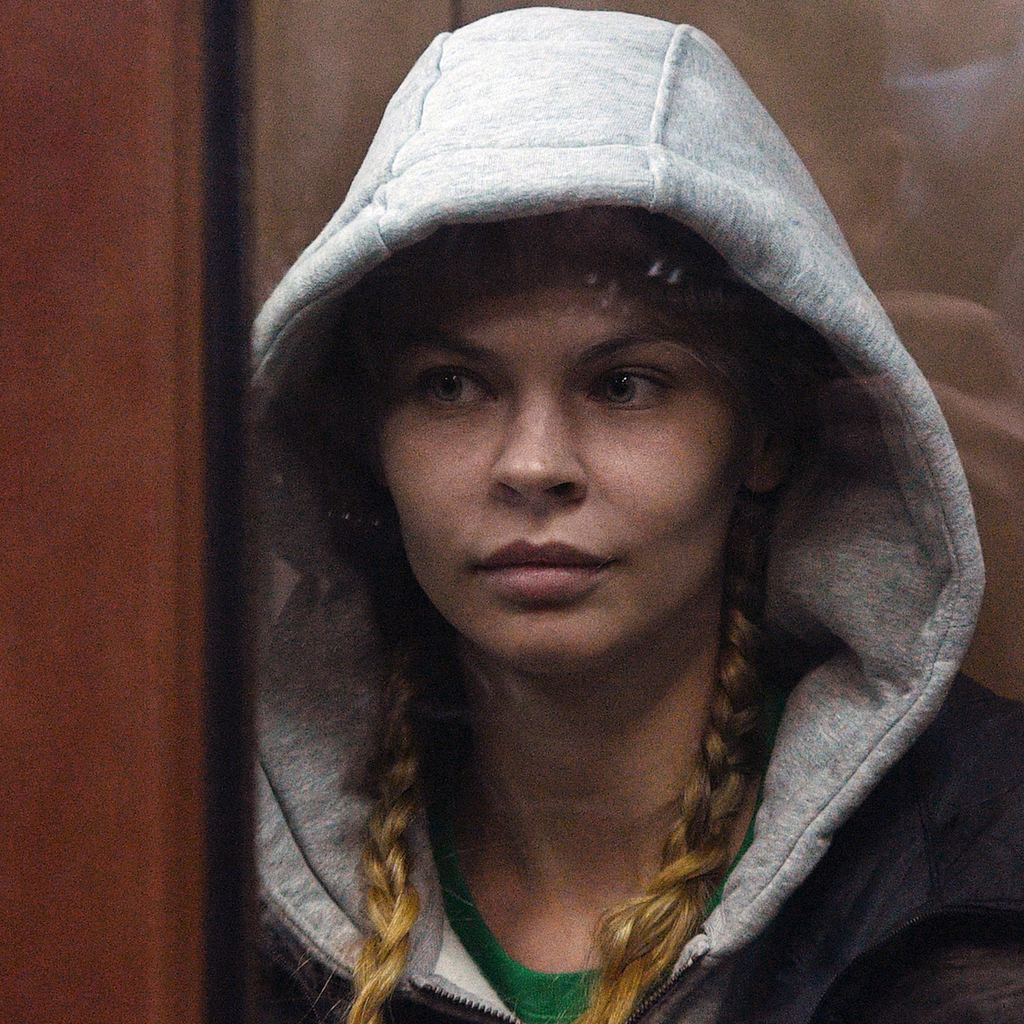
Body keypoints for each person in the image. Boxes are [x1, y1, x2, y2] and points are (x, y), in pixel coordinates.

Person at [251, 9, 1024, 1024]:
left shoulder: (971, 884)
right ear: (363, 442)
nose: (534, 466)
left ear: (764, 433)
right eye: (451, 386)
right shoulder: (202, 885)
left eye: (625, 385)